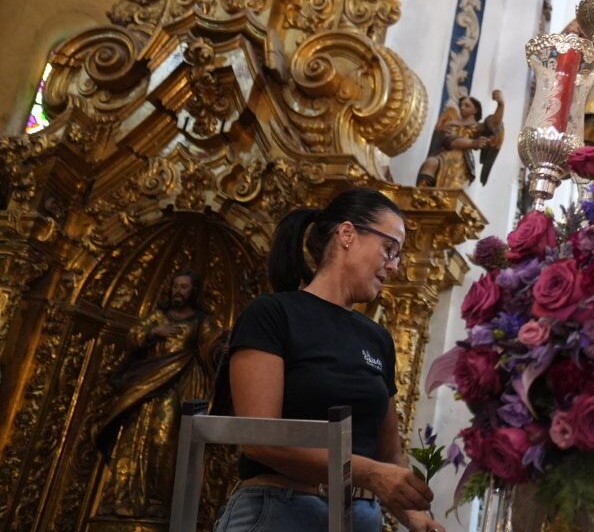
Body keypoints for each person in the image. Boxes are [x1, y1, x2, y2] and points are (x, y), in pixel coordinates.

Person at [211, 188, 443, 532]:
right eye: (389, 249)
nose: (394, 267)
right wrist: (368, 472)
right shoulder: (273, 314)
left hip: (359, 518)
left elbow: (389, 454)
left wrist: (415, 516)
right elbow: (258, 438)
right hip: (281, 510)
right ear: (347, 234)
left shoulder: (377, 338)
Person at [94, 269, 224, 518]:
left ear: (194, 291)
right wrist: (154, 332)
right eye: (176, 286)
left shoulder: (201, 321)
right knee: (132, 443)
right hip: (144, 390)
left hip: (175, 391)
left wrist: (222, 349)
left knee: (162, 443)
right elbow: (133, 337)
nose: (178, 291)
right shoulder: (159, 316)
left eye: (184, 287)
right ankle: (123, 499)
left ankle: (157, 500)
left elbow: (212, 347)